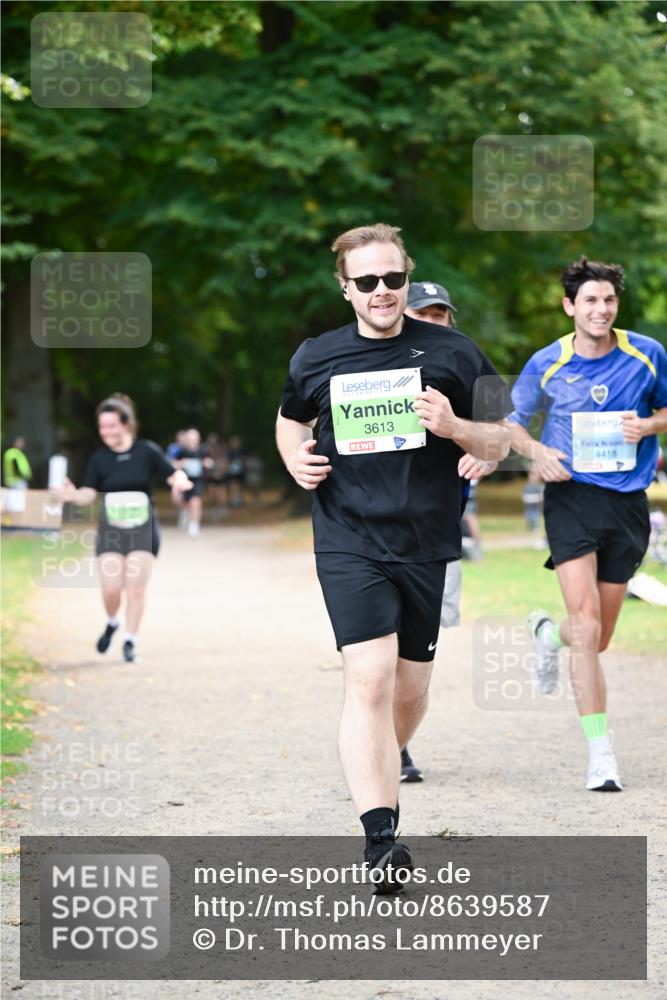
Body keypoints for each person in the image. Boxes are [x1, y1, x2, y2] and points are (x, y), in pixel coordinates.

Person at [276, 223, 511, 890]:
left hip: (425, 542)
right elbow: (291, 419)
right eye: (367, 281)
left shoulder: (455, 351)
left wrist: (457, 427)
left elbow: (502, 438)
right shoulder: (316, 355)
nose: (382, 291)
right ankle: (381, 841)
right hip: (348, 536)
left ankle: (382, 751)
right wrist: (294, 458)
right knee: (371, 678)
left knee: (409, 690)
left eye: (393, 278)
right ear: (345, 287)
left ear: (406, 278)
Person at [508, 256, 667, 791]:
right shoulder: (547, 361)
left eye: (609, 300)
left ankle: (547, 636)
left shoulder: (647, 354)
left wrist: (648, 426)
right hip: (570, 499)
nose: (601, 309)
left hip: (627, 504)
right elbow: (512, 425)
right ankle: (601, 755)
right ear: (569, 306)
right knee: (588, 621)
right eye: (591, 300)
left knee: (595, 639)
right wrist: (538, 453)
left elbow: (666, 411)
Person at [401, 279, 496, 782]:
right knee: (374, 656)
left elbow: (502, 433)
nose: (432, 323)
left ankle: (395, 742)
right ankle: (381, 750)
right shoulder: (366, 365)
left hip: (437, 537)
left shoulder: (466, 363)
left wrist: (485, 455)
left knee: (414, 664)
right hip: (366, 537)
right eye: (423, 314)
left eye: (440, 316)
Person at [55, 394, 191, 662]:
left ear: (126, 424)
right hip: (111, 530)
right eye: (102, 426)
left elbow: (172, 473)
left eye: (112, 425)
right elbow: (89, 493)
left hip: (143, 528)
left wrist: (180, 479)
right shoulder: (99, 459)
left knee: (136, 589)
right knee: (111, 588)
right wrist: (73, 495)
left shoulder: (146, 451)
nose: (106, 431)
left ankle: (130, 641)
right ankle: (112, 621)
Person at [173, 428, 212, 538]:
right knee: (184, 502)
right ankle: (184, 514)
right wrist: (180, 463)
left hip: (198, 480)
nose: (192, 440)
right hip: (185, 481)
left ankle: (194, 525)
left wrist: (207, 463)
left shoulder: (202, 451)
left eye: (194, 438)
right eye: (190, 438)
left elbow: (209, 461)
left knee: (196, 501)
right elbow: (173, 463)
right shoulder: (182, 451)